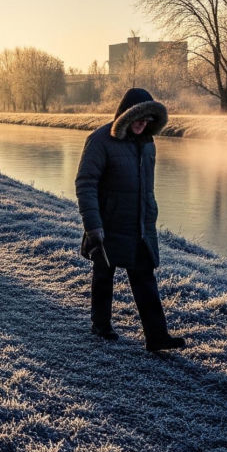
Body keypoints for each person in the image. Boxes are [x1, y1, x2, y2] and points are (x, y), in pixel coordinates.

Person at [75, 87, 186, 352]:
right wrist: (93, 225)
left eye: (147, 119)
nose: (142, 124)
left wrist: (150, 213)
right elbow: (86, 183)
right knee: (104, 276)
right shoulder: (99, 140)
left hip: (139, 226)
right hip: (108, 223)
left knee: (145, 278)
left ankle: (157, 337)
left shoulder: (147, 143)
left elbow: (147, 187)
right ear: (125, 115)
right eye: (138, 118)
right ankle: (100, 325)